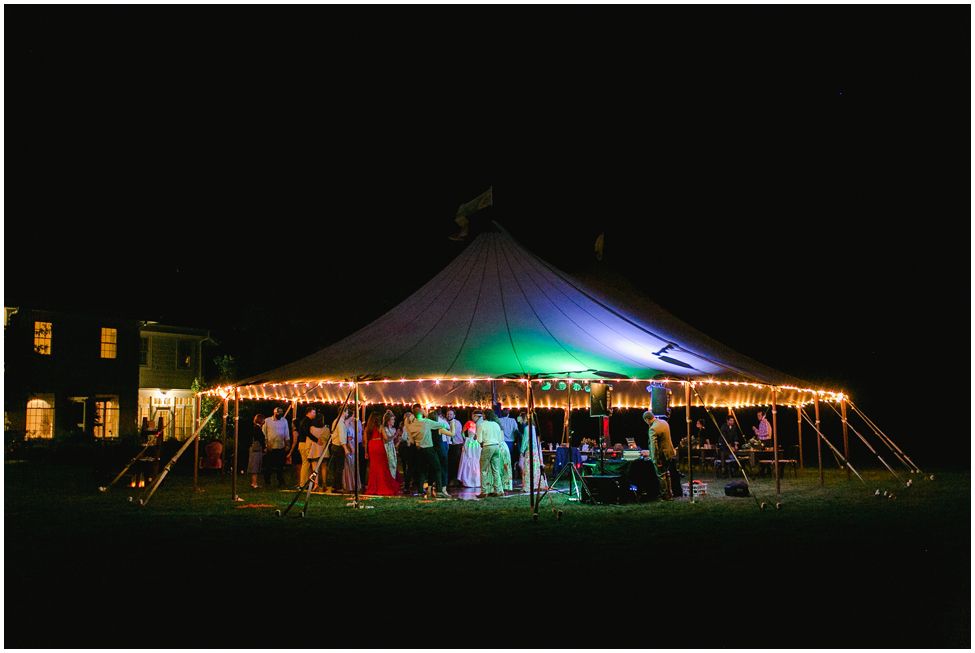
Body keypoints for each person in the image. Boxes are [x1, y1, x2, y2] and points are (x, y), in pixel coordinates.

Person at [404, 404, 452, 498]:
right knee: (437, 468)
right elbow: (442, 425)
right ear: (421, 414)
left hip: (419, 449)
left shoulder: (411, 426)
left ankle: (420, 491)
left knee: (422, 470)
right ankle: (438, 490)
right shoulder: (426, 422)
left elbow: (411, 440)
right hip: (429, 448)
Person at [365, 412, 400, 496]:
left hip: (371, 446)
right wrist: (394, 436)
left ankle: (373, 485)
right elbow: (386, 439)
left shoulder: (367, 428)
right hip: (379, 445)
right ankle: (382, 485)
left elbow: (365, 440)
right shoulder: (380, 427)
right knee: (382, 466)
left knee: (373, 467)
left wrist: (366, 452)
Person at [643, 410, 676, 502]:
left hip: (661, 456)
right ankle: (670, 493)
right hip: (669, 453)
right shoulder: (664, 423)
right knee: (667, 474)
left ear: (647, 420)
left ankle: (664, 496)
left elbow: (654, 446)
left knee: (661, 475)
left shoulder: (653, 429)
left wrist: (655, 459)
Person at [475, 409, 505, 498]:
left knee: (483, 470)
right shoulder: (496, 425)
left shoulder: (482, 425)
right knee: (495, 470)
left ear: (485, 416)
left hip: (487, 447)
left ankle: (484, 491)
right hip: (496, 446)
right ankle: (497, 490)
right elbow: (499, 438)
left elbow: (479, 440)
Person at [295, 406, 325, 490]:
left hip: (303, 443)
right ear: (308, 413)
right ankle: (303, 483)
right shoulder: (306, 421)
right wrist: (316, 439)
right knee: (306, 463)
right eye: (313, 412)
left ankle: (305, 483)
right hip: (304, 444)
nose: (315, 414)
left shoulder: (306, 421)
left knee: (307, 464)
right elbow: (306, 432)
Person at [517, 411, 547, 490]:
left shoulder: (527, 428)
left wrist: (521, 451)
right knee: (535, 468)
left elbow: (525, 440)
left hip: (529, 451)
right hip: (535, 451)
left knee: (528, 468)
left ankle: (528, 485)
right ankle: (537, 484)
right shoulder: (534, 428)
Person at [262, 406, 291, 488]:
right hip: (271, 446)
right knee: (269, 465)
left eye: (281, 414)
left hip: (280, 445)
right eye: (278, 414)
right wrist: (266, 444)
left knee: (280, 465)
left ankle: (280, 480)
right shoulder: (267, 421)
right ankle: (267, 480)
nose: (279, 415)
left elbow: (286, 433)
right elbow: (264, 433)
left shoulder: (284, 421)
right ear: (274, 413)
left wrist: (287, 444)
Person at [327, 406, 351, 494]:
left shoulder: (336, 421)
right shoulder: (340, 423)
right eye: (347, 412)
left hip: (335, 446)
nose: (347, 414)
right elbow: (341, 436)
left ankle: (335, 485)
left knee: (336, 467)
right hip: (338, 446)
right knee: (339, 468)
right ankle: (338, 486)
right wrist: (345, 448)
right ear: (343, 412)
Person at [457, 415, 481, 488]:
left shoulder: (480, 424)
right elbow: (462, 432)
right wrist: (465, 439)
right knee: (468, 458)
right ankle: (468, 480)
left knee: (476, 459)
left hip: (476, 443)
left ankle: (476, 481)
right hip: (469, 442)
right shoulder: (469, 423)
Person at [344, 412, 363, 493]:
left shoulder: (351, 425)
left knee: (354, 465)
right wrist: (351, 447)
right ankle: (349, 485)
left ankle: (355, 484)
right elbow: (346, 438)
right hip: (349, 445)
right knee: (349, 465)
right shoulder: (344, 425)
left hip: (353, 443)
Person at [398, 412, 417, 494]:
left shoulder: (406, 427)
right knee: (413, 465)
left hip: (410, 446)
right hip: (413, 446)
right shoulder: (414, 426)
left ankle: (408, 484)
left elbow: (404, 437)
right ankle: (411, 483)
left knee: (410, 466)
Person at [445, 409, 464, 487]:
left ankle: (456, 480)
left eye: (450, 414)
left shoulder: (457, 423)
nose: (449, 416)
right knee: (450, 463)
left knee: (455, 463)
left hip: (456, 444)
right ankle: (450, 479)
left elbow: (453, 433)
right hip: (450, 445)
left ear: (454, 415)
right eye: (448, 414)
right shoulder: (445, 422)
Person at [498, 408, 519, 475]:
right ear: (508, 414)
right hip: (510, 442)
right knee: (510, 459)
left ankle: (502, 473)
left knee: (501, 459)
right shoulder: (512, 420)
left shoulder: (499, 420)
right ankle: (510, 473)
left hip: (501, 441)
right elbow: (515, 430)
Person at [248, 413, 266, 489]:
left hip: (256, 448)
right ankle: (254, 482)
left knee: (256, 464)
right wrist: (265, 447)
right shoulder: (257, 429)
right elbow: (260, 439)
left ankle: (255, 482)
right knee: (255, 464)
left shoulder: (255, 428)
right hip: (256, 448)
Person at [382, 410, 400, 482]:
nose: (393, 421)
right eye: (392, 419)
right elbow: (385, 440)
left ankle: (393, 479)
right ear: (388, 420)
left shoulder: (393, 429)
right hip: (386, 448)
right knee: (388, 464)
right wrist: (394, 436)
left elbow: (394, 441)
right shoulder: (384, 429)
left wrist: (398, 439)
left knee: (393, 464)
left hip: (392, 448)